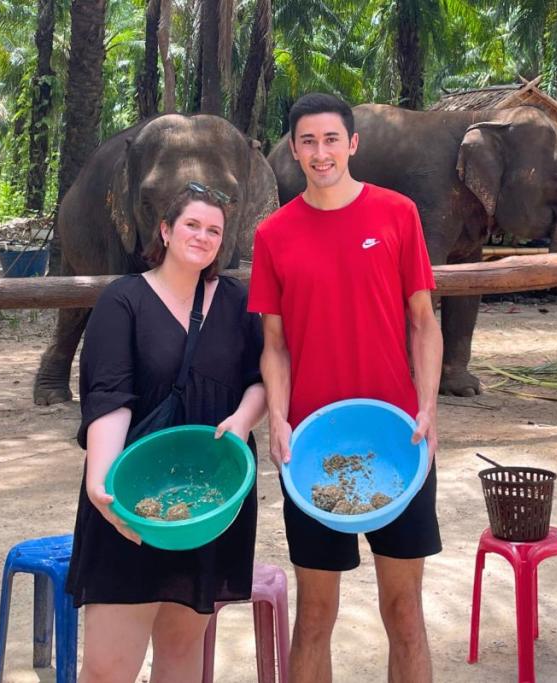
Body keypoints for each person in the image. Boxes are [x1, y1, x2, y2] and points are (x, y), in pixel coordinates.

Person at [248, 92, 444, 682]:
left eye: (331, 139)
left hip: (398, 439)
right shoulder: (273, 234)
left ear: (352, 143)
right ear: (293, 149)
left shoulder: (396, 214)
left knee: (405, 612)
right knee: (314, 617)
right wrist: (277, 419)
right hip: (309, 449)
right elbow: (274, 345)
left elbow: (423, 323)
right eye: (307, 141)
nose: (320, 152)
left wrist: (428, 406)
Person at [66, 184, 267, 683]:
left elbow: (261, 379)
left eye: (214, 230)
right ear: (165, 230)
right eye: (192, 225)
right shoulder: (123, 300)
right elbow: (109, 396)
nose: (202, 236)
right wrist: (102, 484)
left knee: (182, 656)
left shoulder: (238, 303)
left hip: (208, 499)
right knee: (109, 668)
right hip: (134, 494)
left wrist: (242, 421)